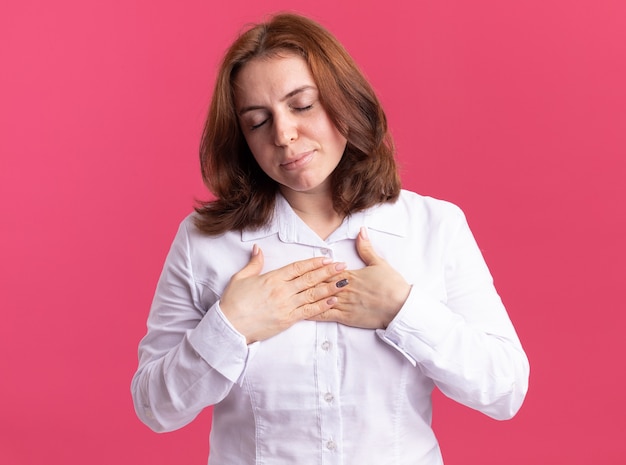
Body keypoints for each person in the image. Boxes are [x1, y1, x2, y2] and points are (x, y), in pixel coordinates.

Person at [131, 12, 529, 465]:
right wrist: (231, 327)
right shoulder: (205, 241)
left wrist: (404, 310)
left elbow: (505, 389)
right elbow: (153, 408)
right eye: (258, 121)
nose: (283, 134)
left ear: (344, 100)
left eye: (301, 105)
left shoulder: (434, 226)